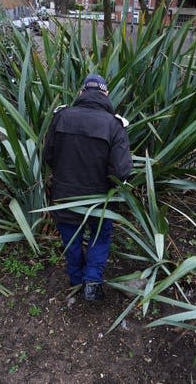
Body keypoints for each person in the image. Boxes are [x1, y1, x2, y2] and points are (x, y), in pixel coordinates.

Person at [43, 74, 133, 301]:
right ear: (106, 94)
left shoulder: (61, 117)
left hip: (64, 195)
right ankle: (91, 282)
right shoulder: (114, 125)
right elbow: (121, 171)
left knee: (71, 239)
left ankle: (76, 279)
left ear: (81, 93)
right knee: (100, 236)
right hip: (99, 198)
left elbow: (48, 157)